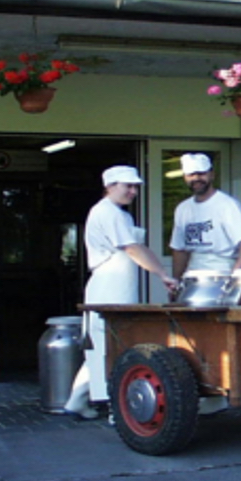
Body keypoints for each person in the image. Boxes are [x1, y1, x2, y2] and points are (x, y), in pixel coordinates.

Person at [63, 166, 178, 420]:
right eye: (128, 186)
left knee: (103, 348)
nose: (133, 191)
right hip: (110, 285)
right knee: (114, 349)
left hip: (119, 284)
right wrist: (163, 275)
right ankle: (119, 411)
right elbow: (133, 249)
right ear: (110, 186)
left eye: (135, 186)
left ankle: (77, 401)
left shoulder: (119, 214)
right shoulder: (107, 213)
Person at [170, 152, 241, 278]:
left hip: (222, 273)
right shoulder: (183, 209)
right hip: (192, 275)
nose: (196, 179)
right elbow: (179, 250)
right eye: (191, 175)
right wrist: (176, 282)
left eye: (201, 174)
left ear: (212, 175)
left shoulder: (226, 205)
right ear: (185, 177)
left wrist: (235, 276)